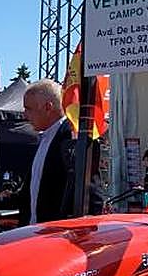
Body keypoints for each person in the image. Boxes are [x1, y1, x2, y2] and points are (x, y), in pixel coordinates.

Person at [12, 79, 103, 225]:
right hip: (35, 233)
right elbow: (32, 192)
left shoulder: (73, 138)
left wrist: (86, 234)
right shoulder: (44, 138)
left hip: (58, 236)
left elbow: (91, 193)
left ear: (48, 107)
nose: (24, 115)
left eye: (28, 109)